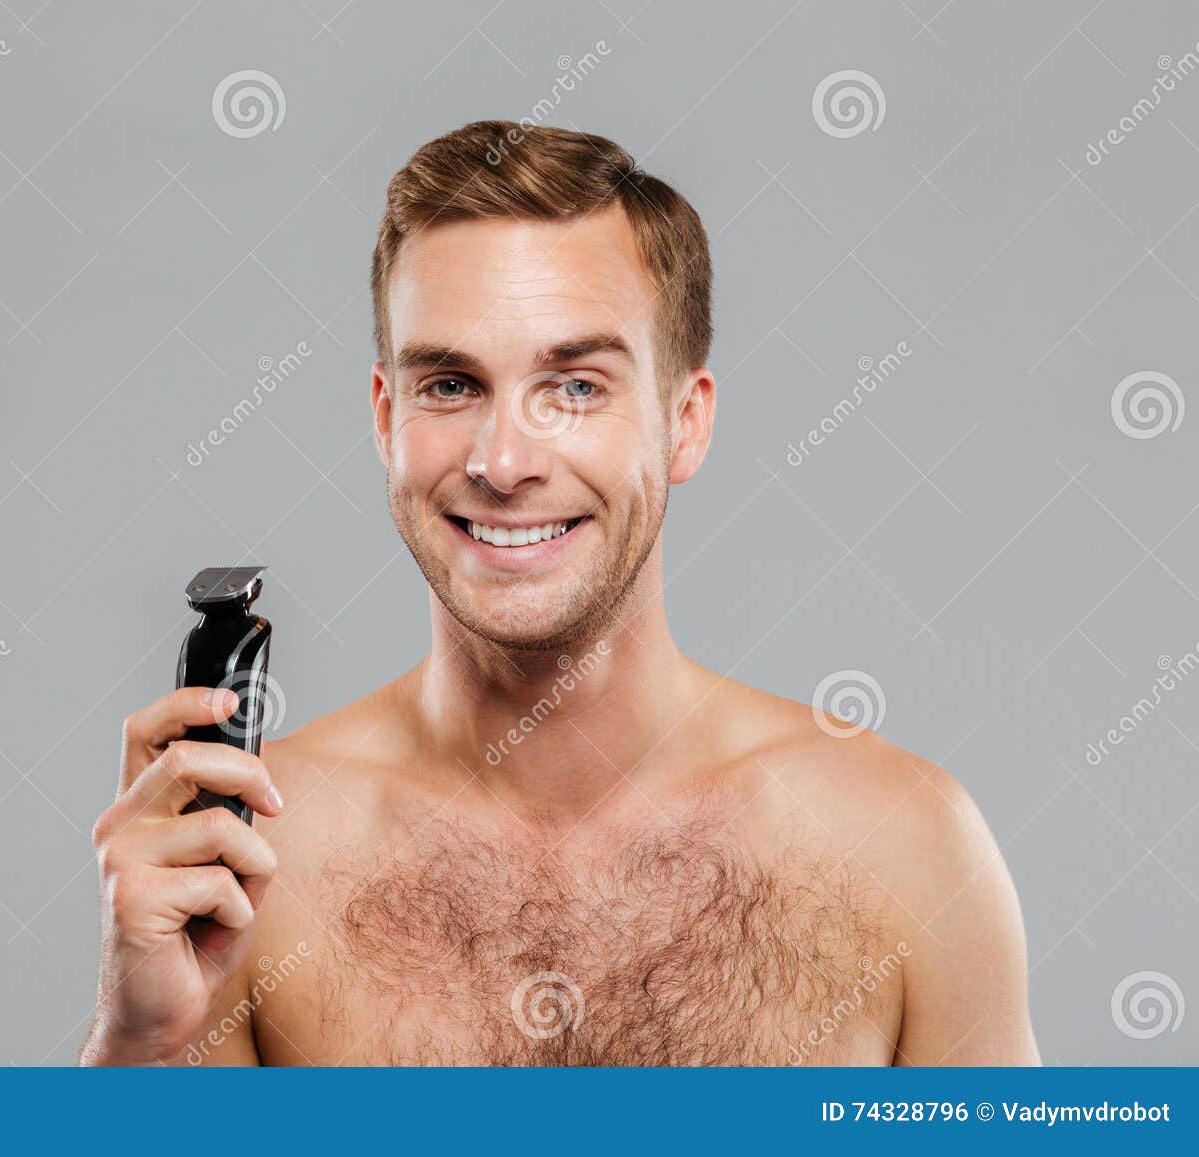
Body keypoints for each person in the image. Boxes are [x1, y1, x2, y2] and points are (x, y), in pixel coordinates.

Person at [80, 120, 1038, 1066]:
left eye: (576, 386)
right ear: (386, 419)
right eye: (451, 385)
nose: (503, 463)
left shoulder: (907, 848)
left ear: (685, 421)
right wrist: (142, 1045)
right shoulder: (248, 862)